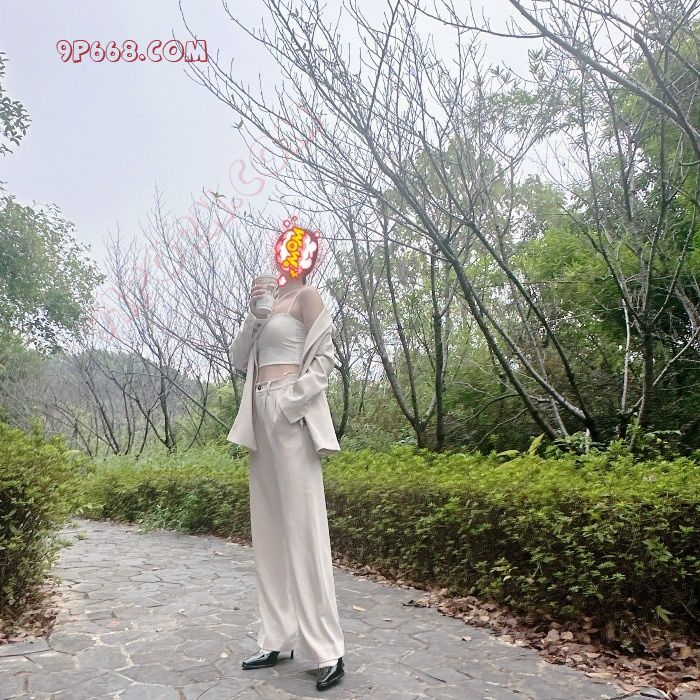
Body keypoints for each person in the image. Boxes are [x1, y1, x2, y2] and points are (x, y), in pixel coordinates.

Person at [227, 264, 345, 692]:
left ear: (307, 254)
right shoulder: (267, 304)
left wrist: (292, 401)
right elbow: (239, 359)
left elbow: (325, 358)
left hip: (289, 411)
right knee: (269, 532)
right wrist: (253, 315)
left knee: (304, 531)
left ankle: (328, 650)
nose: (288, 253)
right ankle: (276, 637)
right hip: (258, 414)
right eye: (283, 245)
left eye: (297, 244)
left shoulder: (306, 296)